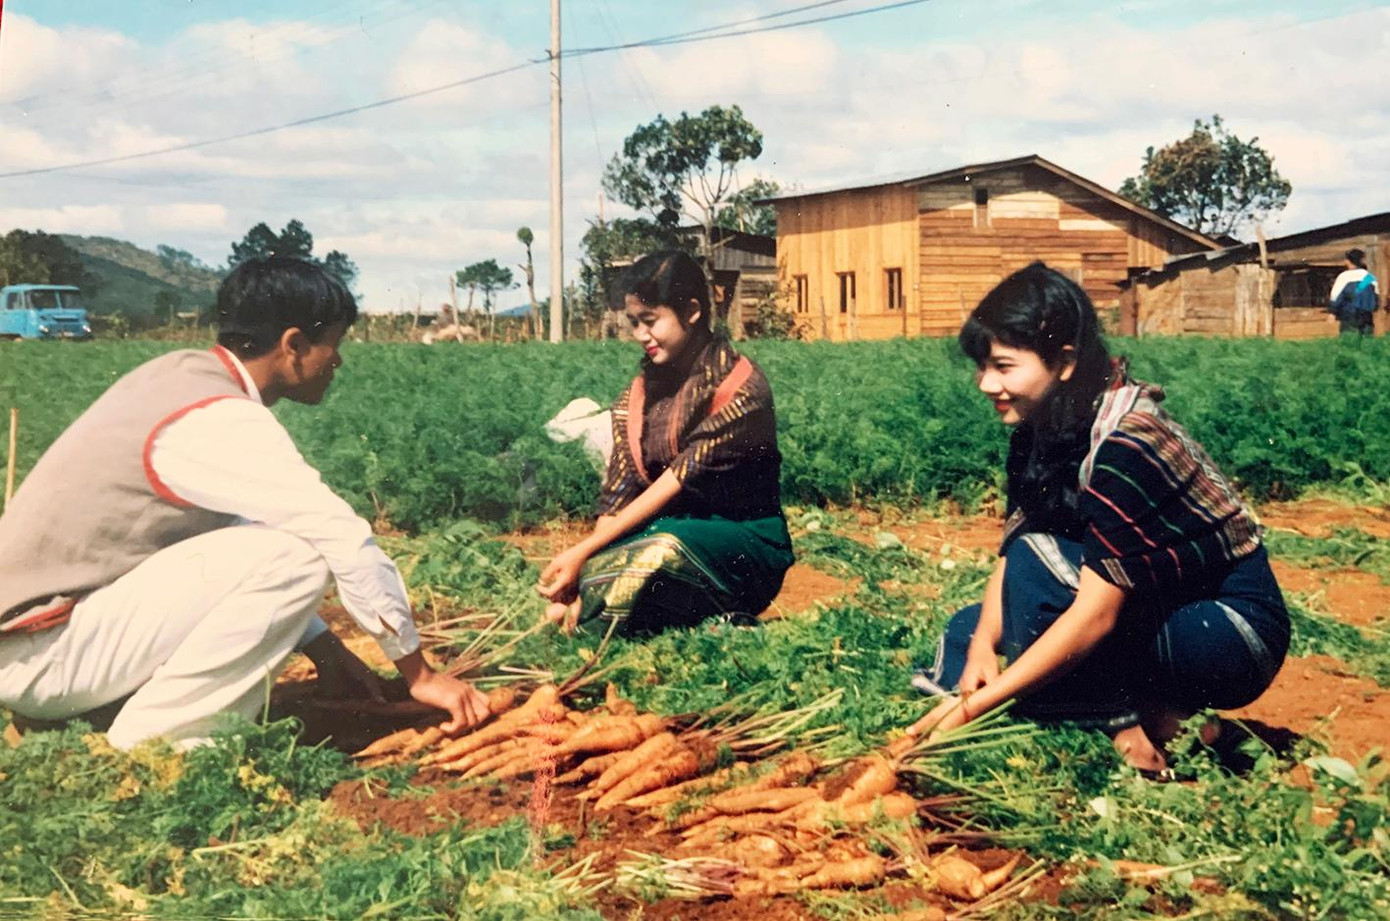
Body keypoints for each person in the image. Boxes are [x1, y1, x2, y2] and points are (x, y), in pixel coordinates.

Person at [0, 256, 490, 750]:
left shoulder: (182, 375)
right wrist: (420, 674)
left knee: (269, 537)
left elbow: (232, 530)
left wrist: (327, 651)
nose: (337, 362)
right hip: (43, 655)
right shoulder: (218, 416)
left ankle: (102, 710)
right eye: (334, 344)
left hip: (37, 644)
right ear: (293, 345)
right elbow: (341, 537)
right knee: (299, 554)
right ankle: (162, 743)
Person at [904, 263, 1289, 775]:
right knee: (971, 628)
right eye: (981, 366)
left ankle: (1126, 729)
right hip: (1152, 612)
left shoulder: (1128, 441)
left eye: (1003, 366)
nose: (986, 384)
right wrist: (980, 649)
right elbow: (1017, 551)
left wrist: (973, 707)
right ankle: (1170, 723)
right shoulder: (1038, 432)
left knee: (1034, 585)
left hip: (1225, 631)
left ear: (1064, 362)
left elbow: (1093, 613)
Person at [537, 251, 793, 637]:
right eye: (634, 323)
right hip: (667, 528)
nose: (641, 335)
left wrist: (585, 555)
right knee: (631, 558)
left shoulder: (741, 388)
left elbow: (676, 480)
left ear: (691, 312)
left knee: (660, 551)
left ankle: (591, 617)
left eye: (650, 320)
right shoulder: (637, 396)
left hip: (744, 546)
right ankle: (602, 612)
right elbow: (619, 493)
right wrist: (588, 559)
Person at [1328, 248, 1379, 336]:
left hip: (1348, 315)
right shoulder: (1369, 277)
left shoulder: (1343, 277)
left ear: (1348, 261)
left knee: (1349, 339)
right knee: (1366, 339)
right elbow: (1376, 297)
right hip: (1366, 316)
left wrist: (1332, 312)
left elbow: (1335, 296)